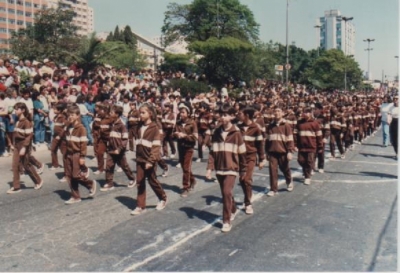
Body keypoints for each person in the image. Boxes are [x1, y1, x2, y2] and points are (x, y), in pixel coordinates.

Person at [208, 103, 247, 232]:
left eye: (225, 115)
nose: (222, 118)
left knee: (226, 192)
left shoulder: (236, 133)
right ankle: (233, 208)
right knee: (226, 193)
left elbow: (242, 153)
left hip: (231, 168)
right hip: (219, 168)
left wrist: (243, 169)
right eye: (221, 115)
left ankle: (226, 221)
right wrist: (209, 168)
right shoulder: (216, 132)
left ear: (231, 116)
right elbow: (212, 152)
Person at [131, 102, 167, 215]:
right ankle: (140, 206)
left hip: (149, 160)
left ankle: (163, 198)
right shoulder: (139, 127)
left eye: (143, 113)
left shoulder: (154, 128)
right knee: (140, 182)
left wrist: (151, 161)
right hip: (140, 158)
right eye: (139, 113)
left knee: (152, 180)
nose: (140, 115)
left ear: (150, 114)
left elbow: (156, 146)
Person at [7, 102, 43, 194]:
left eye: (16, 109)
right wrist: (12, 144)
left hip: (24, 145)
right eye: (14, 109)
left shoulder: (26, 122)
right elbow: (16, 134)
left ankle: (38, 181)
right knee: (15, 165)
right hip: (17, 145)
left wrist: (24, 148)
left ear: (22, 110)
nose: (15, 111)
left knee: (26, 165)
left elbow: (29, 136)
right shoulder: (18, 121)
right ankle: (16, 186)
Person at [63, 105, 97, 204]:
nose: (70, 116)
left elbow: (83, 145)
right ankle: (75, 196)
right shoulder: (68, 127)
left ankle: (90, 184)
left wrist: (82, 157)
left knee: (76, 175)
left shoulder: (81, 129)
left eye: (72, 115)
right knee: (69, 176)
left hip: (77, 154)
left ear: (78, 115)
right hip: (68, 154)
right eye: (69, 114)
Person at [237, 106, 265, 215]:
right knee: (242, 180)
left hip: (250, 157)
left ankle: (248, 203)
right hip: (239, 158)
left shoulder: (256, 128)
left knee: (247, 179)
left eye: (240, 114)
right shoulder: (237, 127)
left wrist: (262, 159)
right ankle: (248, 194)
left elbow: (260, 145)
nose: (238, 115)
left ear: (247, 115)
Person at [101, 105, 136, 191]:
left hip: (119, 150)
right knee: (109, 166)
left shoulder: (121, 125)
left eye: (112, 112)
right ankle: (109, 183)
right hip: (111, 149)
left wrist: (119, 149)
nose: (110, 113)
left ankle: (132, 179)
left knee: (124, 166)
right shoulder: (111, 123)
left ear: (117, 114)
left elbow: (125, 139)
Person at [265, 105, 295, 196]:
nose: (277, 113)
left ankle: (289, 181)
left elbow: (290, 139)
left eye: (279, 111)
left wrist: (290, 151)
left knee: (285, 168)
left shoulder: (286, 125)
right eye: (275, 111)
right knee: (272, 170)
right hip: (272, 152)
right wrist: (266, 151)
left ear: (282, 113)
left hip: (283, 152)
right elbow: (267, 140)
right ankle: (273, 189)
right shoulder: (270, 126)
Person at [173, 102, 198, 197]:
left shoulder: (192, 123)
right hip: (180, 147)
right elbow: (173, 134)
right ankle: (192, 180)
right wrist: (176, 134)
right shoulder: (178, 123)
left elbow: (195, 137)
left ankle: (186, 187)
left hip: (189, 148)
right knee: (184, 167)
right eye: (180, 112)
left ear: (188, 113)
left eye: (183, 112)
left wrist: (185, 136)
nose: (181, 114)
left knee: (186, 168)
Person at [295, 107, 323, 185]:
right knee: (301, 161)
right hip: (301, 146)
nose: (306, 114)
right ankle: (306, 171)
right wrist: (295, 145)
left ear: (311, 113)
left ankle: (307, 177)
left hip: (312, 146)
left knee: (309, 161)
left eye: (307, 112)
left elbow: (319, 136)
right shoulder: (299, 123)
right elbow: (295, 135)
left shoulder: (315, 123)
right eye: (304, 112)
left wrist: (320, 146)